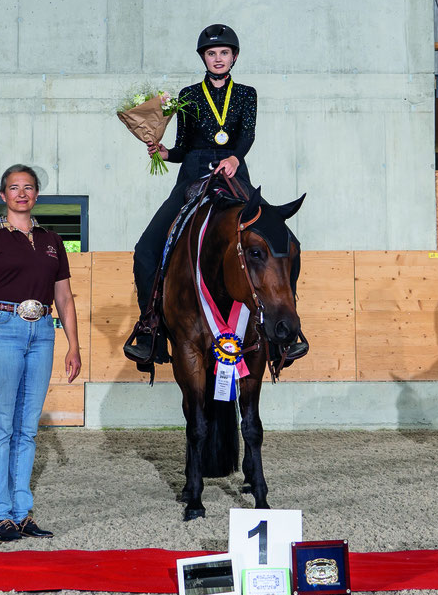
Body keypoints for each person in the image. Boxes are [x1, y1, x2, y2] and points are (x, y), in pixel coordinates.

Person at [124, 23, 307, 367]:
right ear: (204, 58)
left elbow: (247, 134)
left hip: (234, 173)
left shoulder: (247, 93)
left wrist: (236, 157)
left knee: (288, 240)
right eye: (212, 53)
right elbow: (183, 145)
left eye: (224, 52)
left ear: (234, 57)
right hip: (193, 175)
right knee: (146, 248)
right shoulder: (189, 94)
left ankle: (286, 332)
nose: (218, 58)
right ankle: (150, 328)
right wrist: (163, 153)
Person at [0, 165, 81, 544]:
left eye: (28, 187)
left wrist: (73, 344)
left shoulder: (52, 240)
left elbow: (63, 296)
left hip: (43, 331)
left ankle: (21, 512)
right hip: (0, 328)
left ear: (36, 195)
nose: (21, 193)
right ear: (3, 196)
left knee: (28, 430)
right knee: (2, 427)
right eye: (13, 188)